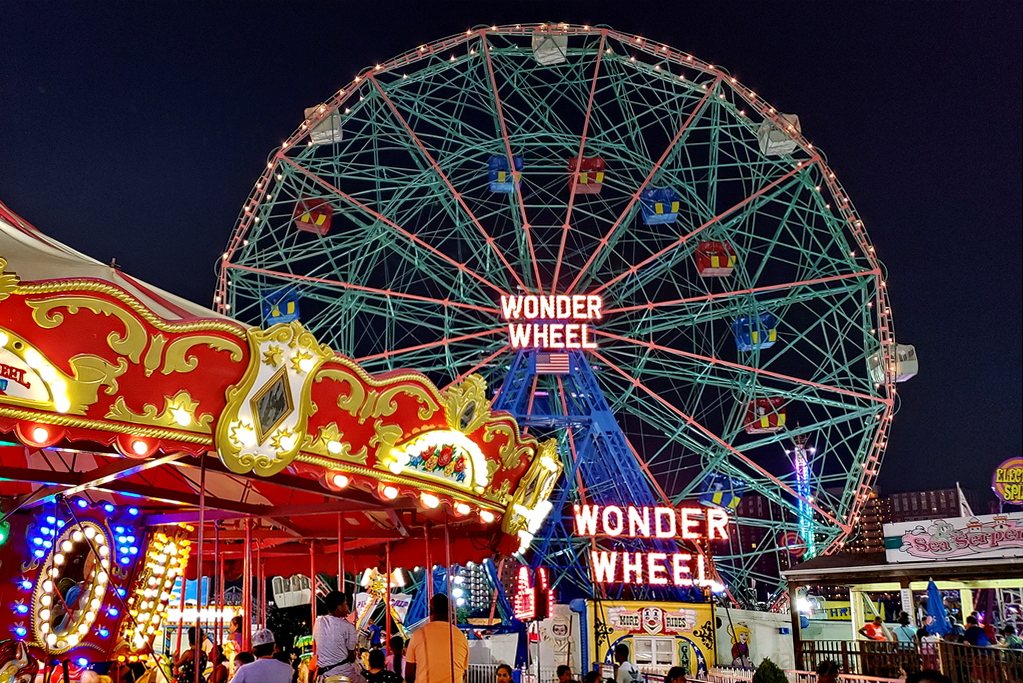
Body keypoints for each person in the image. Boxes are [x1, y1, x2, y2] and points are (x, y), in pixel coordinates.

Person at [405, 593, 469, 683]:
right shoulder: (460, 636)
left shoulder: (418, 634)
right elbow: (463, 671)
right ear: (449, 611)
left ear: (430, 610)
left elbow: (409, 675)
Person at [313, 592, 361, 683]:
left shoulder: (318, 622)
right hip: (343, 673)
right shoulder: (348, 627)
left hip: (324, 675)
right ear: (339, 607)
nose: (347, 608)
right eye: (346, 604)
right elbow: (352, 657)